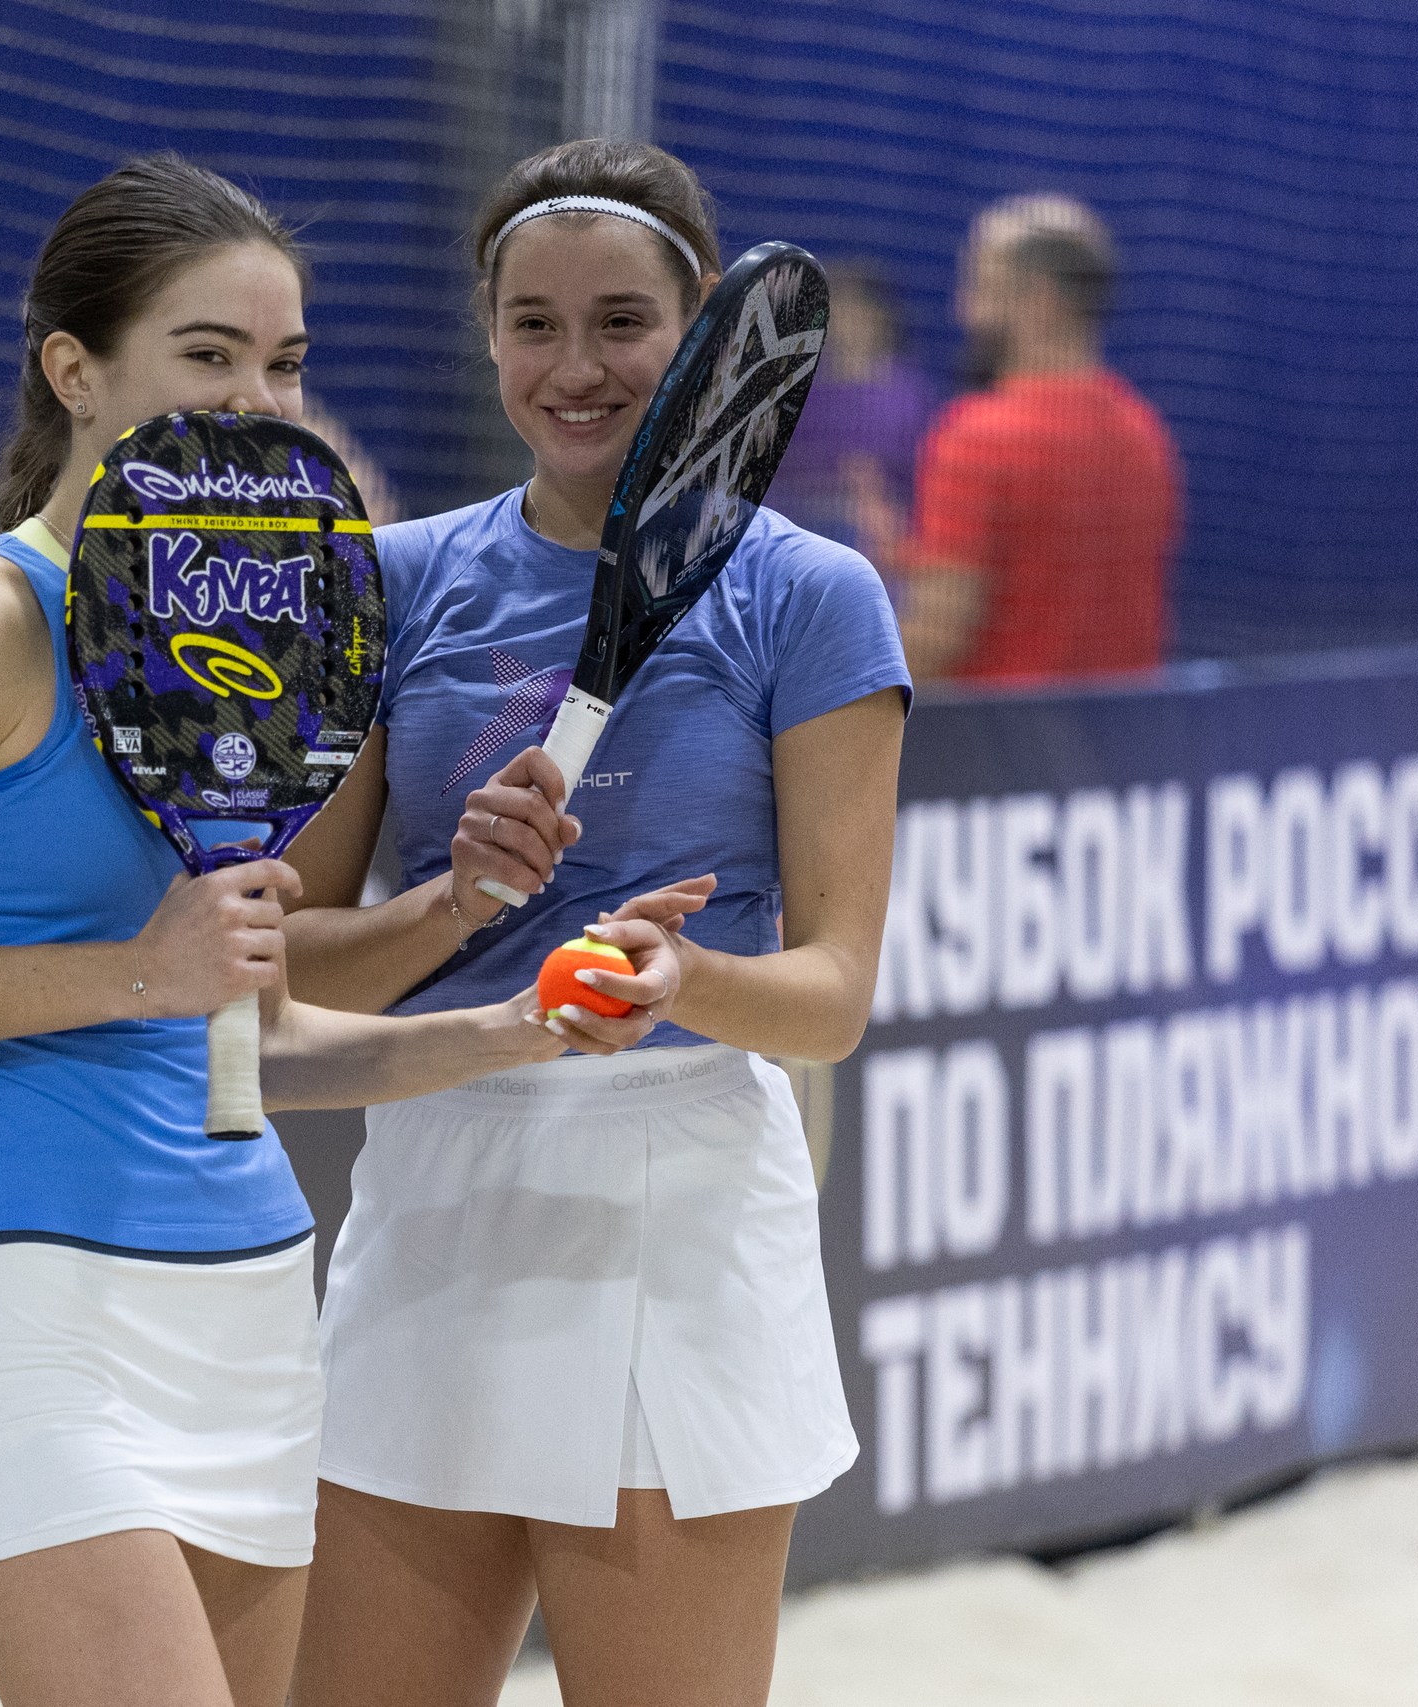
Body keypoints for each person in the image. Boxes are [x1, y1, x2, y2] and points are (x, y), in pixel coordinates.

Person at [0, 154, 683, 1707]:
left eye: (285, 362)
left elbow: (259, 1036)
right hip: (40, 1315)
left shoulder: (250, 646)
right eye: (208, 353)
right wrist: (139, 970)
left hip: (252, 1307)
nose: (259, 399)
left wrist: (513, 1012)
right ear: (75, 370)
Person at [279, 138, 910, 1707]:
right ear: (488, 336)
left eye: (624, 321)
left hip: (680, 1211)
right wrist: (452, 900)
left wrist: (684, 974)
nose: (576, 367)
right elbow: (287, 963)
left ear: (700, 342)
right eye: (534, 323)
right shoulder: (397, 582)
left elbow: (833, 993)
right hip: (432, 1199)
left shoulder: (813, 596)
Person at [895, 193, 1182, 683]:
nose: (964, 312)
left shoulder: (978, 436)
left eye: (982, 288)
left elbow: (938, 641)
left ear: (1041, 301)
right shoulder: (1146, 431)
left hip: (997, 728)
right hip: (1125, 729)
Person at [765, 260, 940, 570]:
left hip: (883, 549)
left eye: (853, 309)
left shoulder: (910, 395)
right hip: (801, 540)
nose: (844, 321)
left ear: (879, 316)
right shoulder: (802, 392)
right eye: (837, 310)